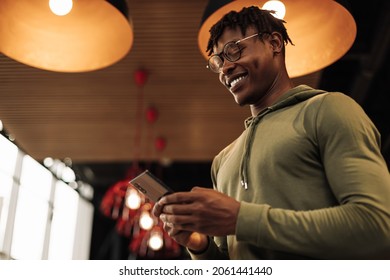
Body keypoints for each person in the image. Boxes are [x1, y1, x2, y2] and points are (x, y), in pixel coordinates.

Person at [153, 6, 390, 259]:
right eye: (219, 61)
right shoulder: (222, 161)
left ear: (274, 43)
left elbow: (378, 226)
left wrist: (241, 219)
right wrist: (199, 245)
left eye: (234, 50)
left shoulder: (328, 109)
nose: (225, 69)